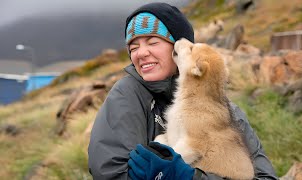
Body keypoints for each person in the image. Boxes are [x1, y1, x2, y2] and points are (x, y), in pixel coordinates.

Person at [88, 2, 278, 180]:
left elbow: (265, 176)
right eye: (133, 47)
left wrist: (189, 177)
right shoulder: (127, 95)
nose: (141, 53)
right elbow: (110, 172)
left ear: (178, 46)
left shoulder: (224, 110)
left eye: (153, 42)